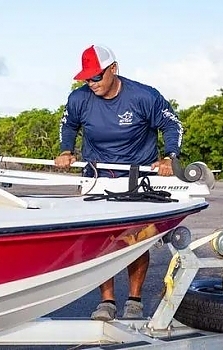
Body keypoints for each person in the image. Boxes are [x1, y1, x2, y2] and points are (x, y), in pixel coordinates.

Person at [54, 44, 183, 321]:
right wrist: (67, 149)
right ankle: (107, 301)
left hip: (137, 177)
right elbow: (69, 125)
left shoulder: (144, 96)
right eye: (87, 78)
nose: (92, 83)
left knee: (136, 240)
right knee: (103, 242)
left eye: (96, 77)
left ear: (114, 69)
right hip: (97, 175)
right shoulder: (79, 99)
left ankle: (134, 300)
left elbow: (172, 125)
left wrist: (171, 158)